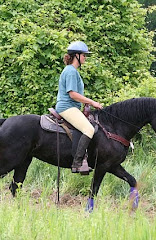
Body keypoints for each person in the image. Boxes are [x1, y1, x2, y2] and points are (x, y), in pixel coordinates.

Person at [55, 41, 103, 174]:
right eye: (84, 55)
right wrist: (92, 102)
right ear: (76, 55)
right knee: (89, 129)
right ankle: (77, 162)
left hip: (72, 107)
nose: (85, 58)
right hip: (67, 107)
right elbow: (73, 94)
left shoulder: (73, 71)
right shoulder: (71, 71)